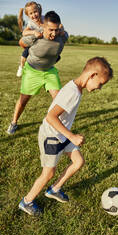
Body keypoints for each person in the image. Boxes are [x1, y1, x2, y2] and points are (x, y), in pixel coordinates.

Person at [18, 56, 113, 216]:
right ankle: (26, 201)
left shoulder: (76, 88)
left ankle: (54, 189)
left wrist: (69, 135)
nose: (100, 88)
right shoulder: (72, 93)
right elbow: (51, 117)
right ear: (92, 75)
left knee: (78, 161)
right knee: (48, 173)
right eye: (100, 84)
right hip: (52, 136)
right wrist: (73, 136)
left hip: (62, 135)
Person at [7, 11, 68, 134]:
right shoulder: (36, 37)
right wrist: (34, 38)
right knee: (23, 100)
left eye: (56, 30)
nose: (54, 33)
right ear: (43, 27)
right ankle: (14, 122)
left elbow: (65, 35)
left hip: (50, 71)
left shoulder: (62, 36)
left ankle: (57, 126)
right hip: (32, 71)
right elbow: (21, 42)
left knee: (59, 100)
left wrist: (63, 32)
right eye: (51, 30)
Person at [17, 1, 44, 77]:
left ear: (39, 11)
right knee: (25, 55)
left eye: (35, 12)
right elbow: (24, 32)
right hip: (34, 43)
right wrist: (34, 32)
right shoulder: (31, 23)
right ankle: (21, 67)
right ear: (28, 15)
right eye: (31, 13)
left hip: (43, 43)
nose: (34, 15)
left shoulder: (45, 19)